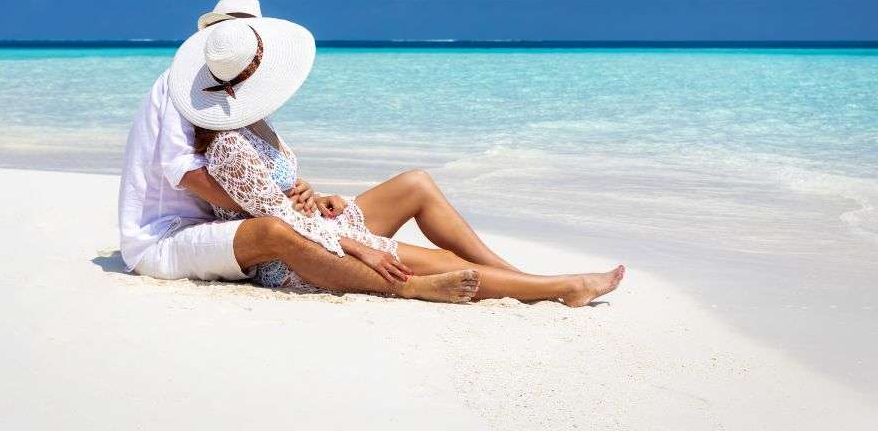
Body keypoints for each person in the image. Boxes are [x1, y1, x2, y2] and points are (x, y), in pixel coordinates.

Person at [167, 17, 626, 305]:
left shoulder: (257, 125)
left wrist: (313, 192)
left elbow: (284, 194)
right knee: (440, 261)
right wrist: (361, 245)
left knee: (416, 182)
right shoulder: (229, 146)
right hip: (297, 257)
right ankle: (563, 288)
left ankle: (518, 277)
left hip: (322, 225)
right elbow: (280, 224)